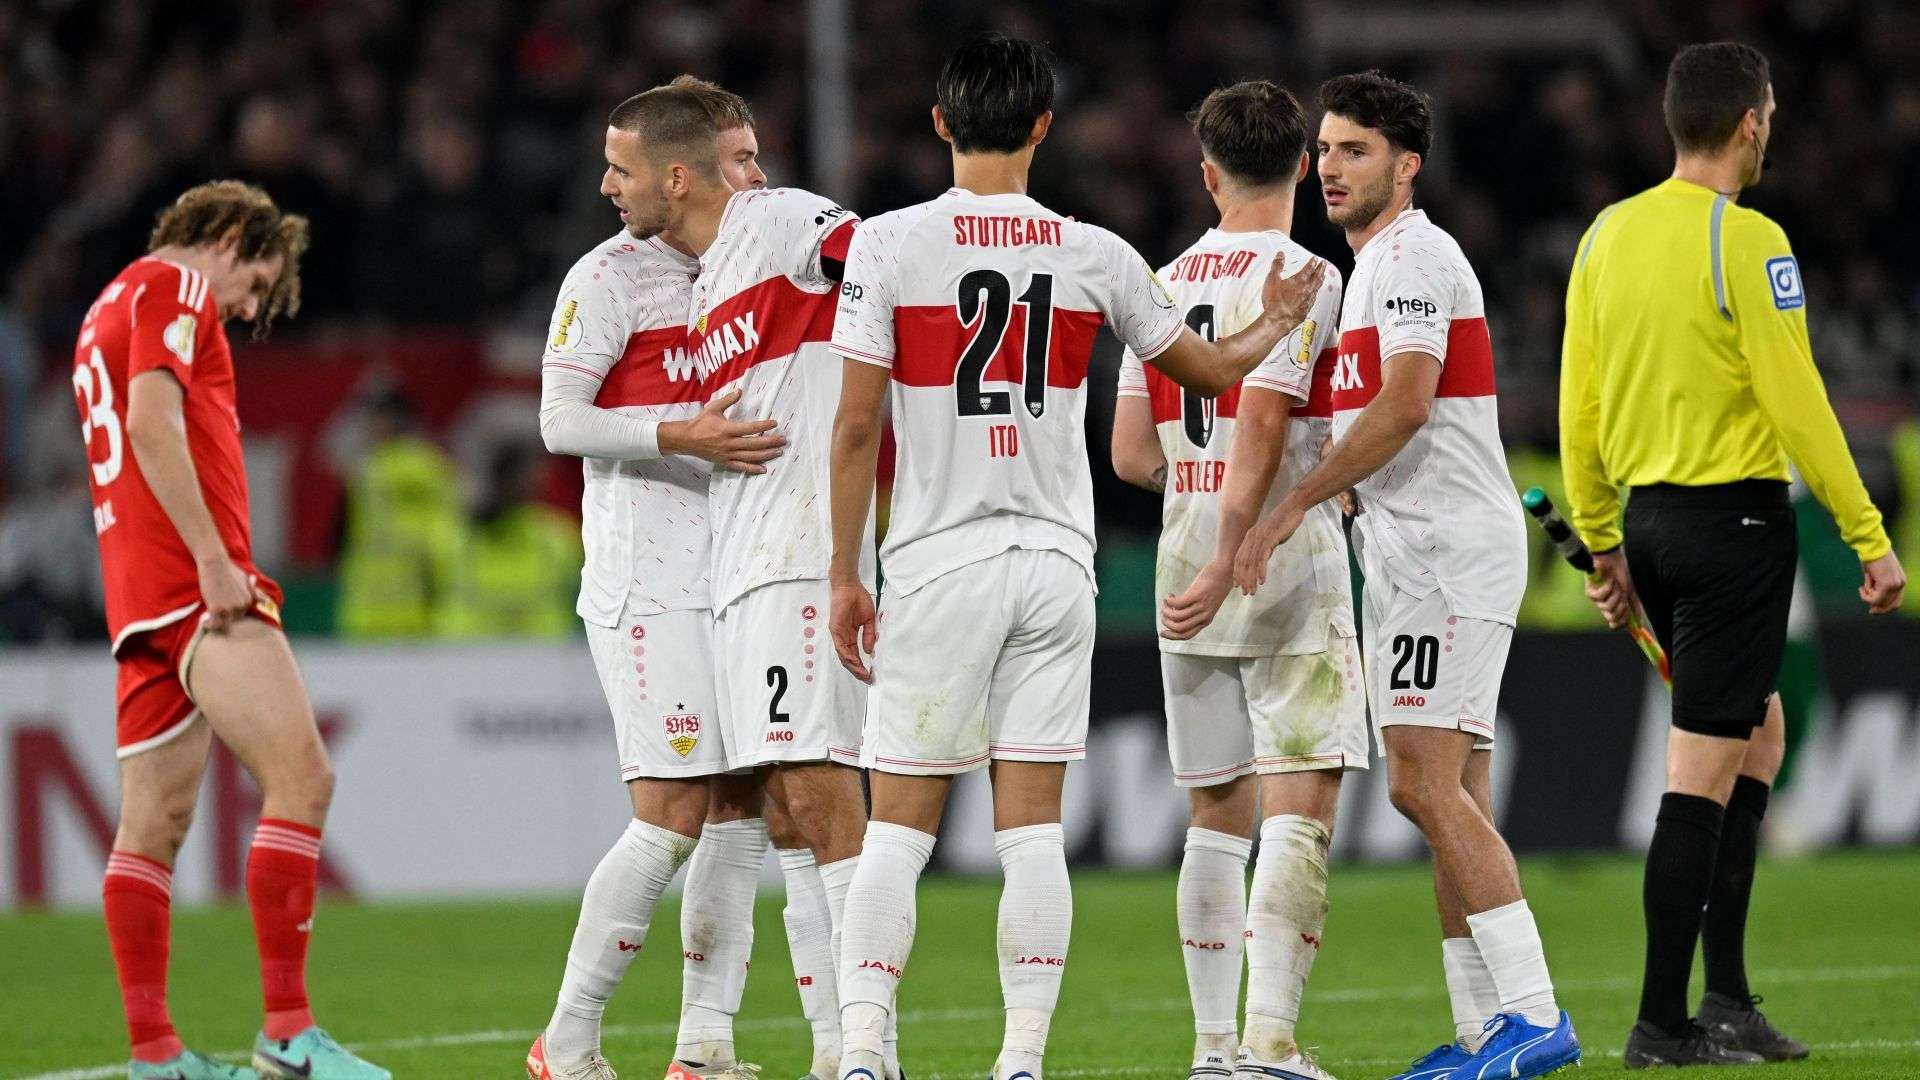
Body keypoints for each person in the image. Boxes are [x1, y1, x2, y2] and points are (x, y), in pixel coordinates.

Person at [824, 34, 1326, 1080]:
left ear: (941, 122)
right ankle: (1020, 1060)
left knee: (899, 830)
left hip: (939, 558)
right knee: (1032, 835)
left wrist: (843, 571)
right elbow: (1206, 370)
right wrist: (1271, 327)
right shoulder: (1094, 252)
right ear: (1044, 127)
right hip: (1055, 563)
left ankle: (864, 1048)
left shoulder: (886, 246)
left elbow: (857, 426)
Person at [1560, 42, 1906, 1068]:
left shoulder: (1606, 234)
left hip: (1653, 527)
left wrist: (1602, 542)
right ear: (1751, 122)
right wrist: (1868, 535)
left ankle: (1727, 999)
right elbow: (1797, 399)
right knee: (1701, 772)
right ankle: (1662, 1024)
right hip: (1735, 532)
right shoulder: (1748, 240)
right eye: (1771, 118)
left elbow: (1580, 400)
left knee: (1759, 736)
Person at [1234, 71, 1581, 1080]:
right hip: (1410, 550)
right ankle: (1484, 1030)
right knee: (1451, 791)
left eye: (1356, 151)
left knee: (1423, 784)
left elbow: (1407, 402)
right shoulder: (1370, 270)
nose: (1330, 168)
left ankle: (1534, 1015)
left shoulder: (1415, 257)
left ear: (1408, 165)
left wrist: (1296, 503)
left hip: (1446, 554)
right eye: (1325, 150)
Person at [73, 180, 389, 1080]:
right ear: (224, 235)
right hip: (195, 589)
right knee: (303, 776)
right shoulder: (172, 285)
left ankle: (155, 1054)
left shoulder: (105, 305)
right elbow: (151, 422)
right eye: (255, 282)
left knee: (152, 826)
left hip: (138, 599)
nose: (249, 308)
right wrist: (214, 558)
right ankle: (288, 1033)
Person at [525, 79, 788, 1080]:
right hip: (649, 583)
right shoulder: (607, 278)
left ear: (678, 176)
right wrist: (677, 434)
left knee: (739, 806)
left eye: (620, 168)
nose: (607, 185)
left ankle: (705, 1047)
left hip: (738, 572)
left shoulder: (750, 272)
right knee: (670, 814)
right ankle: (568, 1040)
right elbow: (559, 420)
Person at [1112, 80, 1357, 1080]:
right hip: (1272, 557)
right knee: (1298, 803)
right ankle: (1270, 1043)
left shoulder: (1161, 282)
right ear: (1301, 165)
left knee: (1214, 813)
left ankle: (1214, 1048)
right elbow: (1262, 413)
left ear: (1207, 174)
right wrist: (1234, 540)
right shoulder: (1308, 274)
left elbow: (1130, 453)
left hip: (1182, 559)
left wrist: (1196, 494)